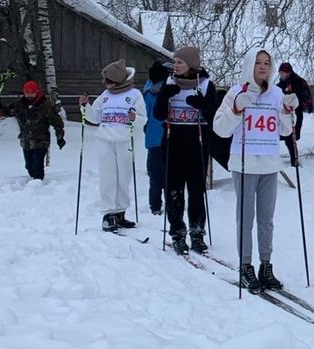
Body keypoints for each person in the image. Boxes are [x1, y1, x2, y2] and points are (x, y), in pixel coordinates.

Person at [213, 49, 297, 292]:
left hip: (269, 163)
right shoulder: (236, 92)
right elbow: (220, 129)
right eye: (258, 62)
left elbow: (284, 130)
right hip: (245, 164)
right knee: (245, 218)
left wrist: (287, 111)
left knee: (266, 219)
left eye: (267, 63)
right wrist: (236, 110)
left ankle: (265, 265)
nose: (262, 67)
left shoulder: (276, 94)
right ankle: (245, 266)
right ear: (249, 65)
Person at [152, 45, 215, 255]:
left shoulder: (205, 84)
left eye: (180, 62)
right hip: (173, 140)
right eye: (175, 62)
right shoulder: (170, 82)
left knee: (196, 190)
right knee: (174, 190)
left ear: (191, 64)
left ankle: (197, 233)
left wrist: (203, 105)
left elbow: (214, 116)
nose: (175, 65)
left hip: (197, 141)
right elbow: (158, 114)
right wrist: (164, 96)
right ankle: (177, 233)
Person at [80, 61, 142, 232]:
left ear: (118, 80)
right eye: (105, 80)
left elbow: (143, 119)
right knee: (108, 178)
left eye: (109, 81)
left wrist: (135, 118)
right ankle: (108, 214)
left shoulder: (135, 94)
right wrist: (85, 106)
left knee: (124, 177)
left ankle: (120, 212)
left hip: (124, 140)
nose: (105, 83)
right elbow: (95, 117)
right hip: (104, 140)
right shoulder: (105, 95)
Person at [0, 80, 65, 181]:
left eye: (32, 93)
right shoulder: (19, 105)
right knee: (29, 166)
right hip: (26, 141)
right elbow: (7, 111)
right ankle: (34, 182)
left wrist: (60, 137)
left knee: (37, 165)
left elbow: (57, 123)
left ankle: (38, 184)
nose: (29, 95)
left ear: (36, 92)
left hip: (41, 141)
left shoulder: (45, 106)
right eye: (27, 93)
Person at [141, 61, 169, 216]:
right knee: (170, 173)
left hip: (153, 138)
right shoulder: (169, 90)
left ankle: (155, 205)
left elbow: (144, 114)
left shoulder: (147, 92)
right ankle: (171, 203)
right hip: (168, 135)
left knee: (155, 174)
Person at [276, 62, 312, 165]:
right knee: (279, 135)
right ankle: (271, 157)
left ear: (289, 72)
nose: (282, 75)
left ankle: (294, 160)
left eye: (284, 73)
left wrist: (305, 106)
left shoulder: (299, 82)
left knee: (291, 138)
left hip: (295, 114)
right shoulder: (279, 86)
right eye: (280, 73)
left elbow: (306, 96)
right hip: (282, 115)